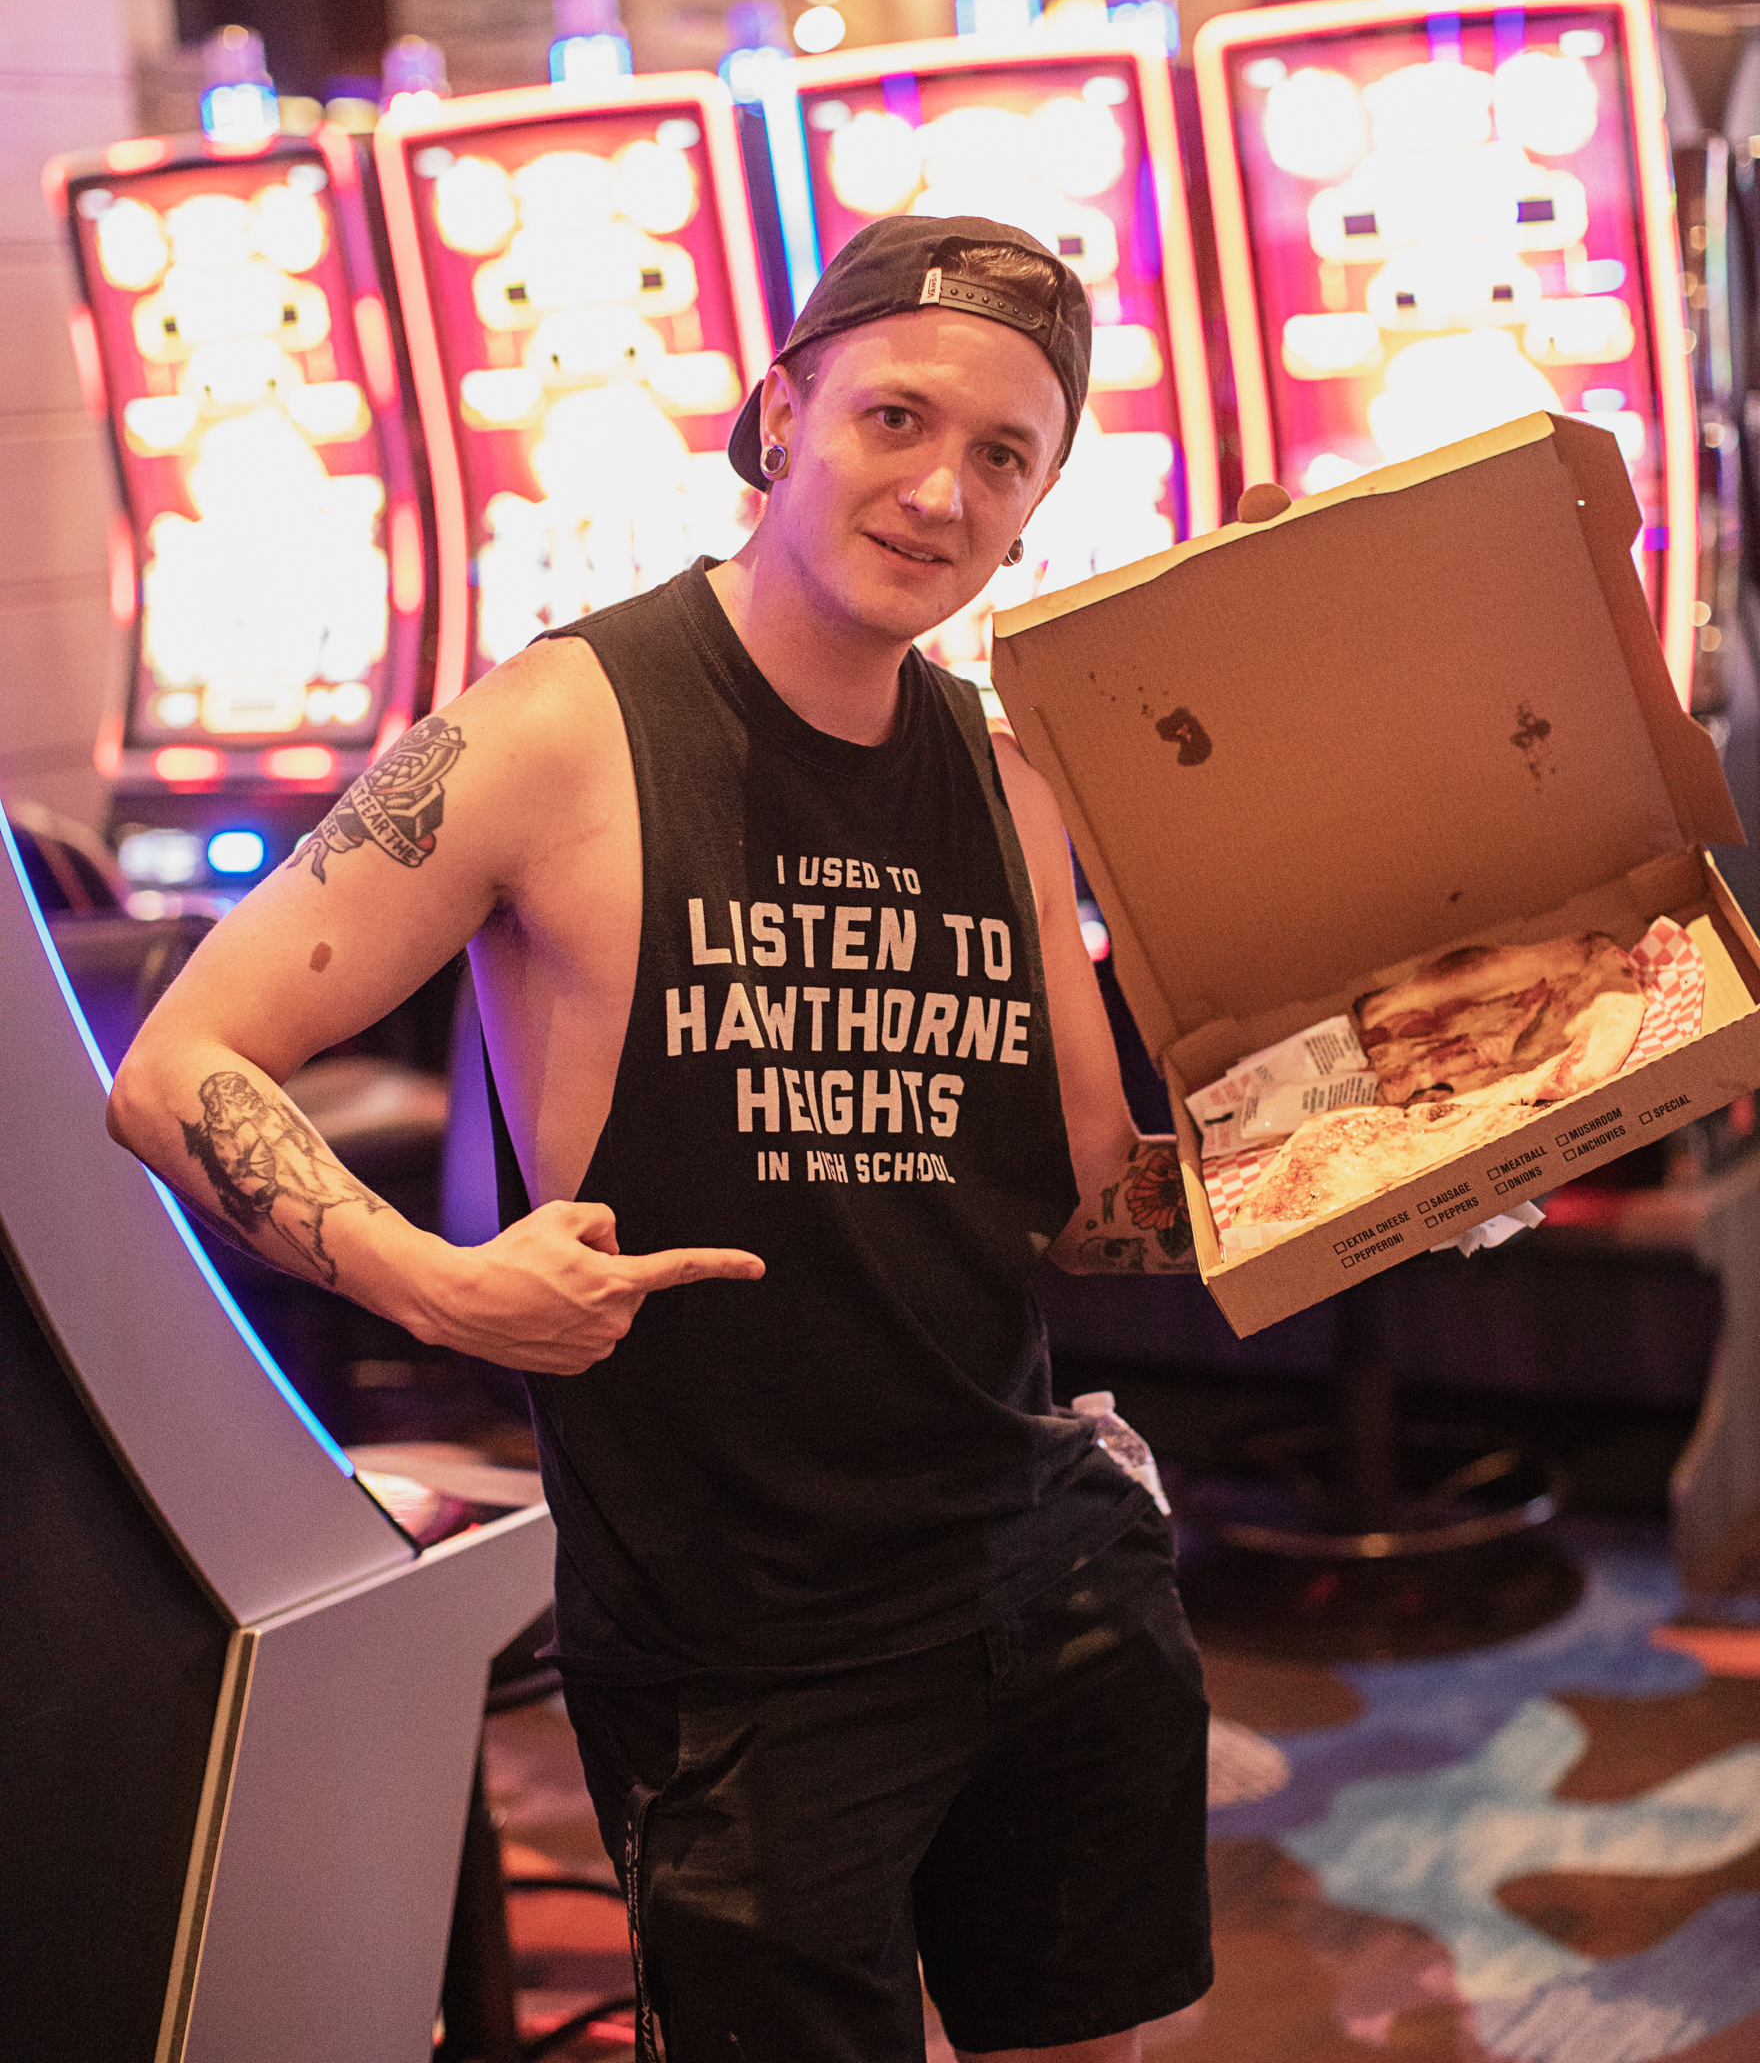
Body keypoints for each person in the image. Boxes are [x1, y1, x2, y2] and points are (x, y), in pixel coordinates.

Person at [107, 213, 1212, 2062]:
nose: (940, 491)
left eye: (1003, 458)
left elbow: (1091, 1203)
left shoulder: (1005, 773)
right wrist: (445, 1290)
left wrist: (1397, 1173)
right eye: (895, 422)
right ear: (784, 412)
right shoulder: (560, 725)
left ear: (1037, 507)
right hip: (745, 1642)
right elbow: (179, 1063)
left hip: (1050, 1565)